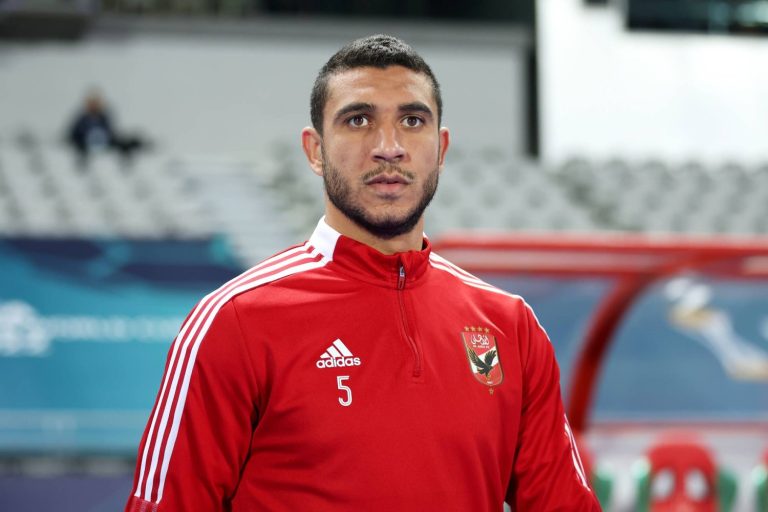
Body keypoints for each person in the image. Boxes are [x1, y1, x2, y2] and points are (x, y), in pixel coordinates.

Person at [125, 34, 602, 511]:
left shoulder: (510, 327)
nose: (389, 147)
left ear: (441, 148)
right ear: (315, 151)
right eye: (358, 120)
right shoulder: (234, 321)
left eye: (412, 121)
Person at [67, 91, 147, 167]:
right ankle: (82, 164)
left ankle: (127, 160)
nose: (94, 106)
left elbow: (110, 131)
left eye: (96, 103)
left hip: (104, 142)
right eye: (91, 103)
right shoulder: (83, 119)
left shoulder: (103, 117)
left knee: (124, 142)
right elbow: (74, 133)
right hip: (87, 144)